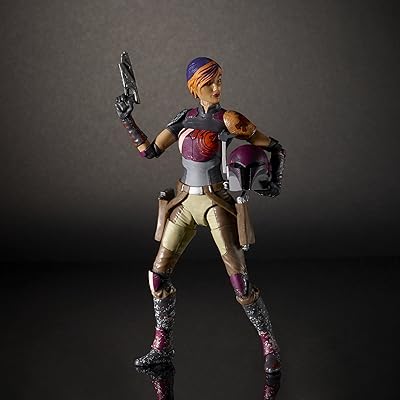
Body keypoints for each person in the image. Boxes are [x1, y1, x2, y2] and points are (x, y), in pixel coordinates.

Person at [115, 57, 285, 375]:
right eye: (209, 82)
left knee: (240, 284)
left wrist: (272, 181)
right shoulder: (185, 118)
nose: (217, 87)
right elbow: (149, 151)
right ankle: (161, 348)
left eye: (219, 80)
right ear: (194, 87)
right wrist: (128, 120)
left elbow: (275, 147)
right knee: (157, 277)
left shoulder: (230, 119)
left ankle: (269, 345)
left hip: (215, 203)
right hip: (183, 202)